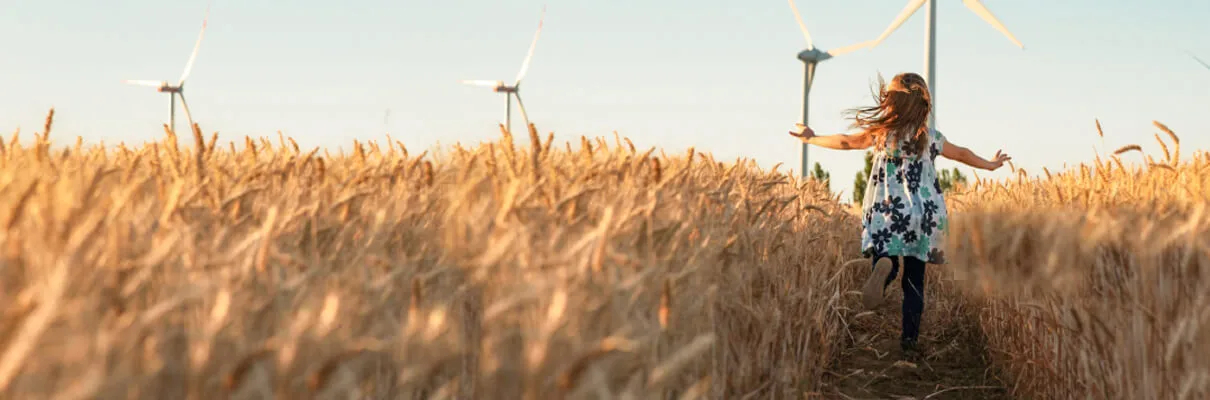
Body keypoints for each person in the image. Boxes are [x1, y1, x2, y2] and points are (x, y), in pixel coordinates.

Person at [787, 72, 1010, 358]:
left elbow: (847, 141)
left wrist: (812, 138)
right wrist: (990, 164)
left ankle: (884, 268)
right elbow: (963, 154)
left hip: (888, 211)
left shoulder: (882, 133)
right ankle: (909, 340)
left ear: (892, 103)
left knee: (887, 256)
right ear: (922, 104)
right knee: (915, 280)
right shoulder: (929, 137)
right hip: (923, 216)